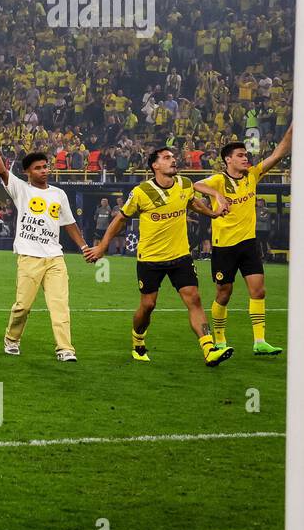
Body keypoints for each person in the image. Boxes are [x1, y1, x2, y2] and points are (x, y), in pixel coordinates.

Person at [87, 148, 232, 366]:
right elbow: (120, 219)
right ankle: (138, 339)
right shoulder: (141, 192)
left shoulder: (184, 184)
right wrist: (103, 246)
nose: (173, 160)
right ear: (155, 166)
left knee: (194, 299)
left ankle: (209, 348)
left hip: (181, 256)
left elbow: (191, 201)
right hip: (150, 259)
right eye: (167, 158)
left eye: (173, 157)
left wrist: (212, 214)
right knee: (148, 305)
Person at [0, 143, 89, 361]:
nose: (44, 170)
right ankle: (11, 339)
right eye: (38, 168)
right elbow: (2, 170)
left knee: (60, 306)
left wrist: (83, 247)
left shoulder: (59, 194)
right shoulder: (21, 189)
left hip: (55, 258)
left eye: (45, 166)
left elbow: (69, 223)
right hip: (29, 257)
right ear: (27, 172)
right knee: (22, 307)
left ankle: (65, 349)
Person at [198, 123, 292, 356]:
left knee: (258, 291)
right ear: (228, 160)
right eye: (240, 155)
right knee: (224, 293)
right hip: (224, 246)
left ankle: (259, 341)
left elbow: (279, 153)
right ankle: (219, 340)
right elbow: (194, 185)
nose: (245, 158)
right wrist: (216, 194)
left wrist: (293, 126)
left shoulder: (252, 175)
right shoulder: (218, 180)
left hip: (248, 244)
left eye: (246, 154)